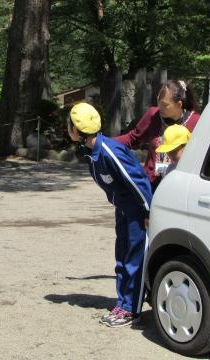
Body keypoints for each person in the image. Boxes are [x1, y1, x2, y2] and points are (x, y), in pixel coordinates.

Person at [67, 102, 152, 327]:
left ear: (76, 129)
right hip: (123, 210)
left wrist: (148, 211)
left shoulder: (109, 151)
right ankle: (122, 303)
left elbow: (138, 180)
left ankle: (132, 310)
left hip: (137, 212)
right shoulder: (91, 151)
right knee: (122, 258)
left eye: (69, 125)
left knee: (134, 260)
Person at [114, 80, 200, 191]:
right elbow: (132, 138)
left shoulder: (196, 122)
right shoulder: (153, 115)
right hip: (151, 183)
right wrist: (104, 142)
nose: (160, 108)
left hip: (179, 186)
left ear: (179, 104)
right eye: (158, 102)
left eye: (165, 105)